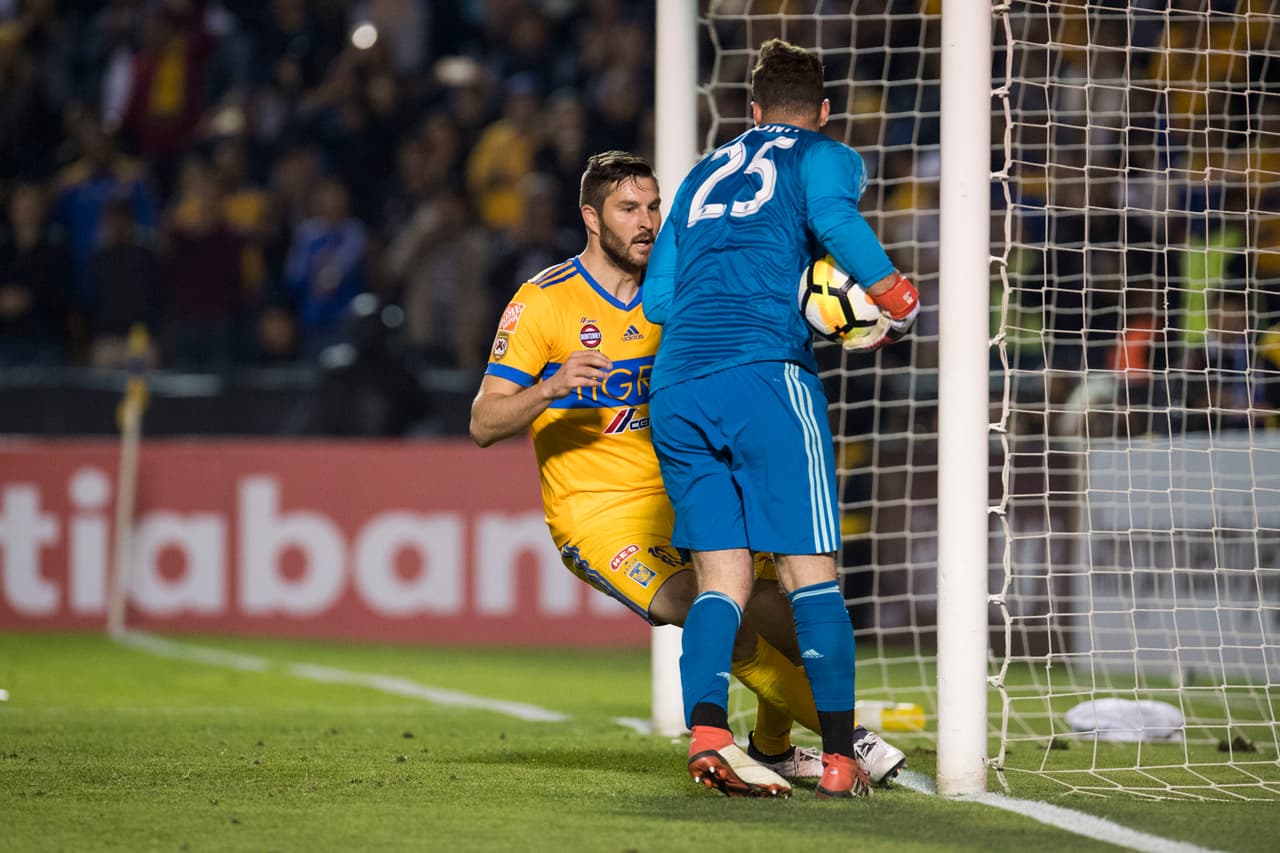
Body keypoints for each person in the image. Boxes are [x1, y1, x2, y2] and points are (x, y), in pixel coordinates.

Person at [470, 150, 905, 796]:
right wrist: (553, 385)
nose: (646, 222)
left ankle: (776, 745)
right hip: (599, 516)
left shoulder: (681, 290)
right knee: (704, 608)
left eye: (653, 207)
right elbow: (483, 420)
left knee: (780, 606)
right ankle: (850, 739)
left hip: (682, 490)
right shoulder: (544, 303)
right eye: (628, 209)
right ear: (591, 217)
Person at [642, 40, 919, 799]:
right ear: (823, 111)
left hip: (677, 386)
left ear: (752, 110)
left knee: (719, 581)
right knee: (809, 577)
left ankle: (708, 737)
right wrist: (891, 293)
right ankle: (837, 758)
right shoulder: (825, 157)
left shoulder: (700, 176)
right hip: (765, 374)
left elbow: (657, 300)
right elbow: (832, 219)